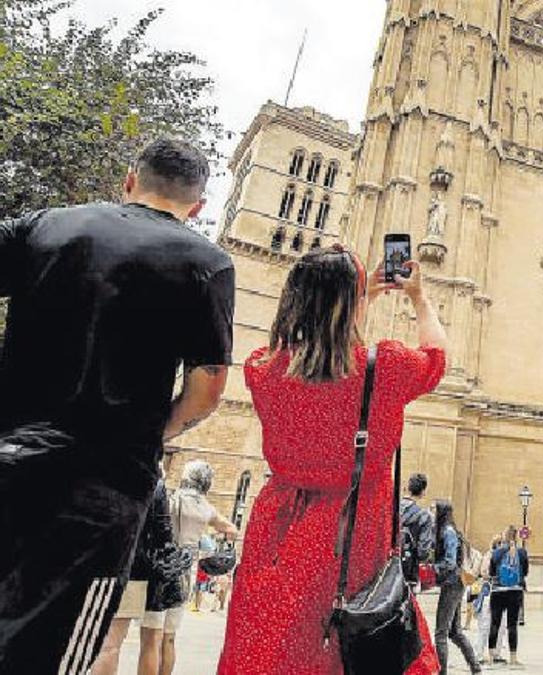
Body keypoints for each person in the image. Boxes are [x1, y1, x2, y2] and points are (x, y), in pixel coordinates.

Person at [0, 139, 233, 674]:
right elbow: (208, 390)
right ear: (197, 206)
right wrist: (153, 435)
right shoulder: (207, 262)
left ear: (130, 180)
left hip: (11, 458)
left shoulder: (47, 225)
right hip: (108, 489)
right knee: (65, 653)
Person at [216, 248, 444, 674]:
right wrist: (418, 298)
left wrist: (358, 297)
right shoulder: (385, 368)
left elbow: (316, 351)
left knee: (273, 643)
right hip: (352, 535)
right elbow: (435, 358)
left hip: (277, 533)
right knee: (348, 646)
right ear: (352, 305)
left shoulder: (261, 368)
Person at [148, 460, 238, 674]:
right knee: (169, 638)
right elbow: (232, 529)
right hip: (186, 572)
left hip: (164, 567)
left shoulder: (172, 499)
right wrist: (213, 535)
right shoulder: (206, 508)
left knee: (152, 636)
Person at [92, 478, 179, 675]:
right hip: (130, 569)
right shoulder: (152, 481)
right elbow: (163, 532)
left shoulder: (101, 468)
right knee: (110, 645)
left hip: (93, 565)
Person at [433, 500, 482, 674]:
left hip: (452, 584)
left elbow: (450, 562)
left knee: (441, 633)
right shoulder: (449, 531)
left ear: (441, 513)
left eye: (434, 509)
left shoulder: (448, 532)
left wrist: (433, 570)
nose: (432, 513)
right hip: (456, 583)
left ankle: (442, 672)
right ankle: (475, 667)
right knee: (454, 632)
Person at [488, 525, 530, 666]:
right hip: (515, 591)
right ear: (516, 536)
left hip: (498, 591)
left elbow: (492, 572)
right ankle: (513, 658)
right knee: (512, 625)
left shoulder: (497, 552)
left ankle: (491, 657)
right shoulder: (522, 552)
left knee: (495, 623)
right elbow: (525, 572)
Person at [401, 472, 436, 575]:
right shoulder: (424, 516)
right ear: (423, 492)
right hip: (409, 568)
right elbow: (423, 551)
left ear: (407, 488)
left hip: (385, 566)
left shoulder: (392, 508)